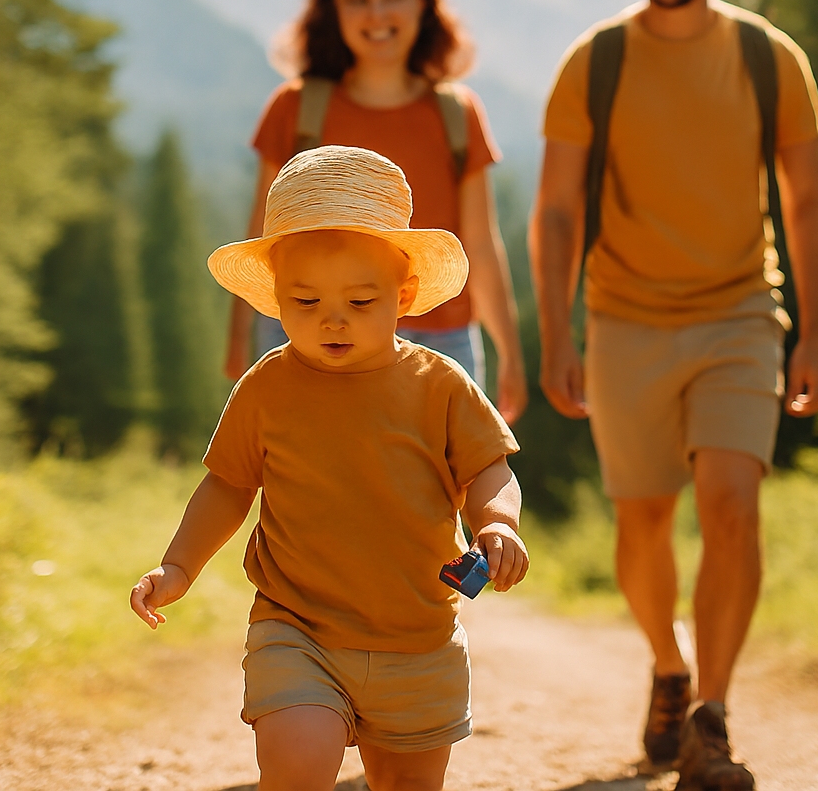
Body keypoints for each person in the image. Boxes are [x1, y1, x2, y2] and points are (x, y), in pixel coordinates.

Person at [529, 0, 818, 790]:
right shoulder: (596, 63)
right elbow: (553, 215)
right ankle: (667, 666)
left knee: (733, 503)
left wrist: (814, 332)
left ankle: (712, 713)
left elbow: (810, 203)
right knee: (644, 524)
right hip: (625, 319)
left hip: (742, 312)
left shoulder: (767, 58)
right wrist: (558, 336)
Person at [133, 145, 530, 791]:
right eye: (307, 301)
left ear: (402, 297)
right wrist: (178, 566)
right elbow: (228, 484)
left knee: (407, 782)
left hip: (418, 637)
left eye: (361, 301)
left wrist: (499, 523)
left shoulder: (440, 385)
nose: (333, 320)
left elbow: (491, 468)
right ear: (276, 298)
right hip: (298, 626)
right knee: (297, 761)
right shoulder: (268, 387)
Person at [225, 0, 527, 423]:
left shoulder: (456, 114)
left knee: (432, 496)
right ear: (333, 11)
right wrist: (241, 342)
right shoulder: (297, 109)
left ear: (423, 5)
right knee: (307, 489)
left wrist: (509, 351)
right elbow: (262, 233)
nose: (377, 13)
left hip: (438, 338)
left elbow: (480, 242)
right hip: (311, 333)